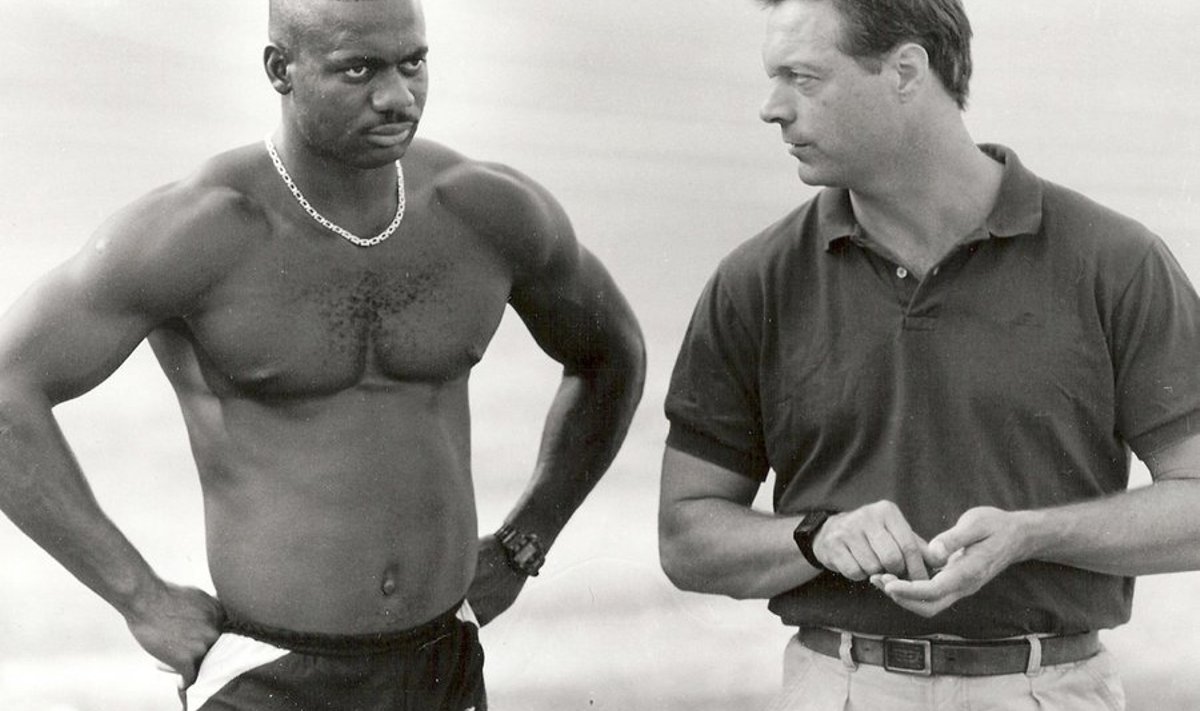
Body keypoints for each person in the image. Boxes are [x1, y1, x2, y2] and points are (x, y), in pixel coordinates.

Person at [0, 0, 645, 708]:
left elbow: (612, 355)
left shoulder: (484, 212)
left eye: (414, 63)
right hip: (271, 673)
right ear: (281, 69)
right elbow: (7, 391)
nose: (397, 96)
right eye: (358, 69)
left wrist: (528, 539)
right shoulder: (200, 231)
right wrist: (140, 597)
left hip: (442, 662)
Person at [658, 0, 1200, 708]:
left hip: (1047, 690)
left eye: (803, 77)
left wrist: (1031, 535)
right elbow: (686, 534)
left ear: (906, 71)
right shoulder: (755, 282)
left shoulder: (1116, 264)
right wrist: (815, 537)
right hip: (837, 689)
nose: (772, 108)